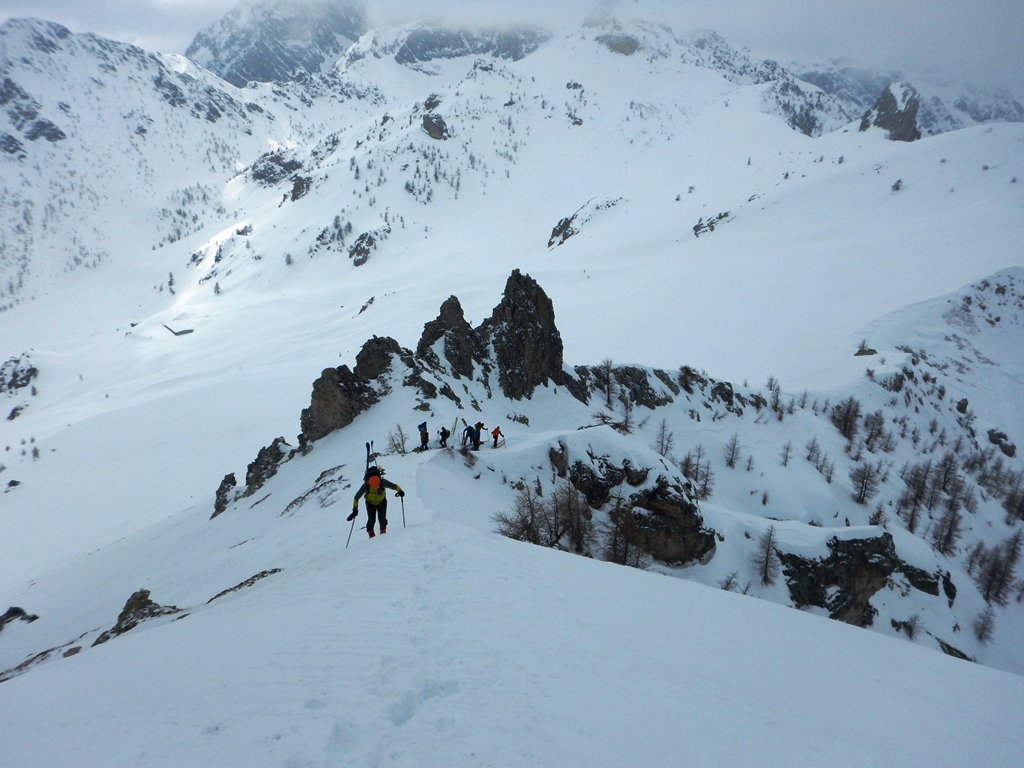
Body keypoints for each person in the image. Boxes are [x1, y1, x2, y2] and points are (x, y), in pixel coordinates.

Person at [348, 466, 404, 538]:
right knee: (371, 519)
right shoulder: (366, 485)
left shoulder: (382, 482)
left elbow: (394, 486)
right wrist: (355, 509)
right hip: (370, 503)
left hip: (382, 501)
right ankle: (371, 535)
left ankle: (383, 532)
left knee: (382, 518)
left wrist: (400, 491)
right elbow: (356, 498)